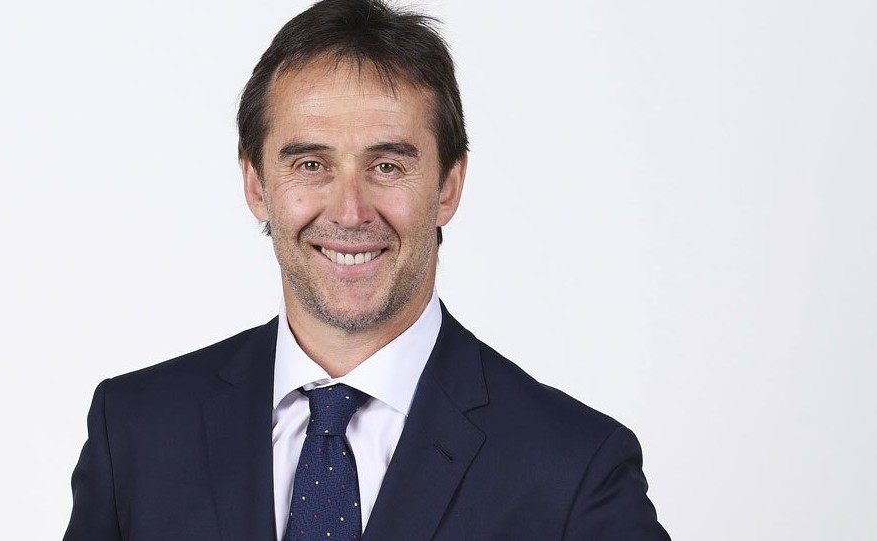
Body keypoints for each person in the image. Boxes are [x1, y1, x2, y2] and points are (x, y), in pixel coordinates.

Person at [63, 0, 670, 539]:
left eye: (387, 166)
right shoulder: (136, 432)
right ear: (255, 184)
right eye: (310, 165)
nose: (350, 211)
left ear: (448, 186)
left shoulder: (573, 468)